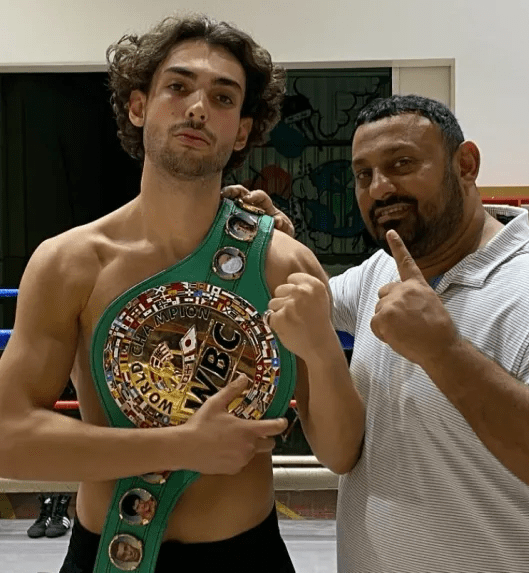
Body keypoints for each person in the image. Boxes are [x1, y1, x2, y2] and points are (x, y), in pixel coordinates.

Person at [0, 14, 364, 573]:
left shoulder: (283, 264)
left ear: (241, 130)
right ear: (139, 105)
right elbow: (8, 435)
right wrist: (180, 447)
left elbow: (340, 454)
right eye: (178, 86)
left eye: (223, 97)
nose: (197, 107)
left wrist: (320, 347)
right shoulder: (70, 263)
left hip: (245, 556)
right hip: (105, 552)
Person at [225, 94, 529, 572]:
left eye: (402, 163)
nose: (380, 188)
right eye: (364, 174)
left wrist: (444, 351)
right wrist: (278, 245)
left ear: (465, 164)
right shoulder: (385, 269)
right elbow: (315, 301)